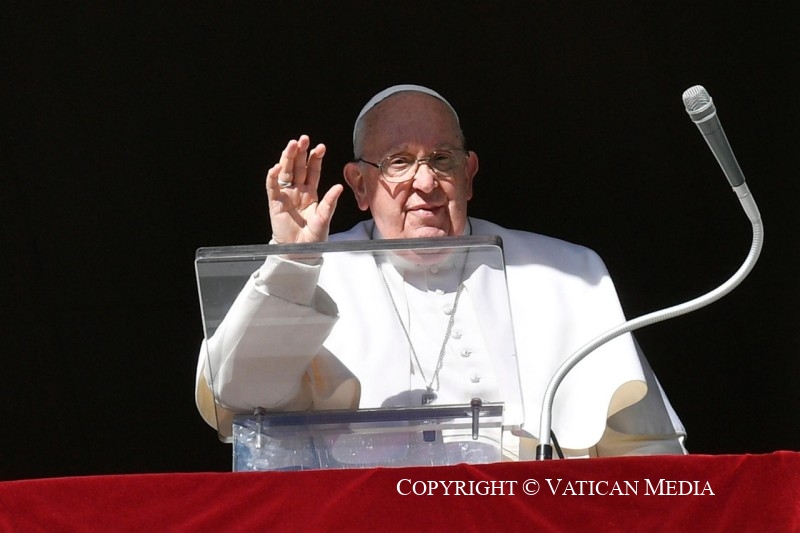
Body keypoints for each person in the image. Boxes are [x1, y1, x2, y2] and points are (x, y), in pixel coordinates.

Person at [196, 84, 687, 459]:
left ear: (468, 175)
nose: (425, 182)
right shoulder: (314, 273)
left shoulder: (567, 274)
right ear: (360, 185)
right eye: (399, 162)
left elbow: (647, 452)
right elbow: (238, 396)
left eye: (441, 159)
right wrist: (293, 264)